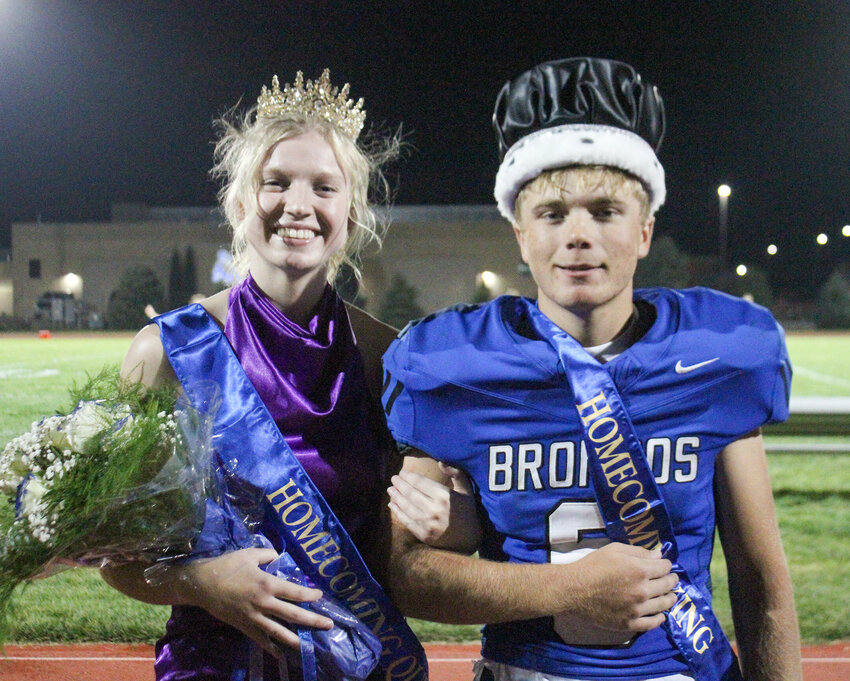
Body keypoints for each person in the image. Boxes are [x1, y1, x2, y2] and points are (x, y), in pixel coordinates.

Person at [382, 57, 801, 681]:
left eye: (605, 211)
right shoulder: (452, 364)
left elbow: (760, 584)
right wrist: (564, 591)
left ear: (644, 232)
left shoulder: (721, 355)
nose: (578, 235)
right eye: (553, 214)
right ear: (522, 235)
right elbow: (405, 572)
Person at [101, 69, 427, 681]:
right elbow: (117, 562)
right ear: (242, 202)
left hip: (352, 667)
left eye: (323, 188)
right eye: (275, 182)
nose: (297, 206)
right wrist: (202, 582)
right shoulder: (166, 352)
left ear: (351, 215)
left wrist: (444, 518)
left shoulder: (387, 360)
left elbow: (405, 559)